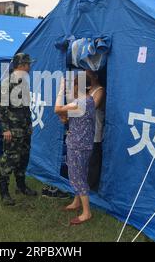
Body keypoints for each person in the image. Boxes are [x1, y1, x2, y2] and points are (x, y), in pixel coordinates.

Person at [0, 53, 37, 206]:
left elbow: (26, 107)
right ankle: (4, 191)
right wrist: (5, 129)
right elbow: (1, 109)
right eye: (28, 64)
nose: (30, 66)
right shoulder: (7, 83)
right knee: (9, 160)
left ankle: (21, 186)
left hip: (24, 129)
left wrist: (29, 125)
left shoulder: (23, 83)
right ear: (21, 65)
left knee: (23, 159)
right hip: (12, 131)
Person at [55, 74, 96, 225]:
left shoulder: (80, 102)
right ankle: (77, 201)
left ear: (78, 86)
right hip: (84, 144)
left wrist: (60, 90)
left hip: (78, 145)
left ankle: (86, 212)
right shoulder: (89, 100)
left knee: (77, 177)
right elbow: (71, 116)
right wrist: (65, 117)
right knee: (82, 173)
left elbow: (57, 108)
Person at [86, 70, 105, 191]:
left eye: (87, 76)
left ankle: (92, 186)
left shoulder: (100, 90)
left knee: (93, 160)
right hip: (84, 131)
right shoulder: (87, 90)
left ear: (95, 76)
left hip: (95, 130)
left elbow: (94, 106)